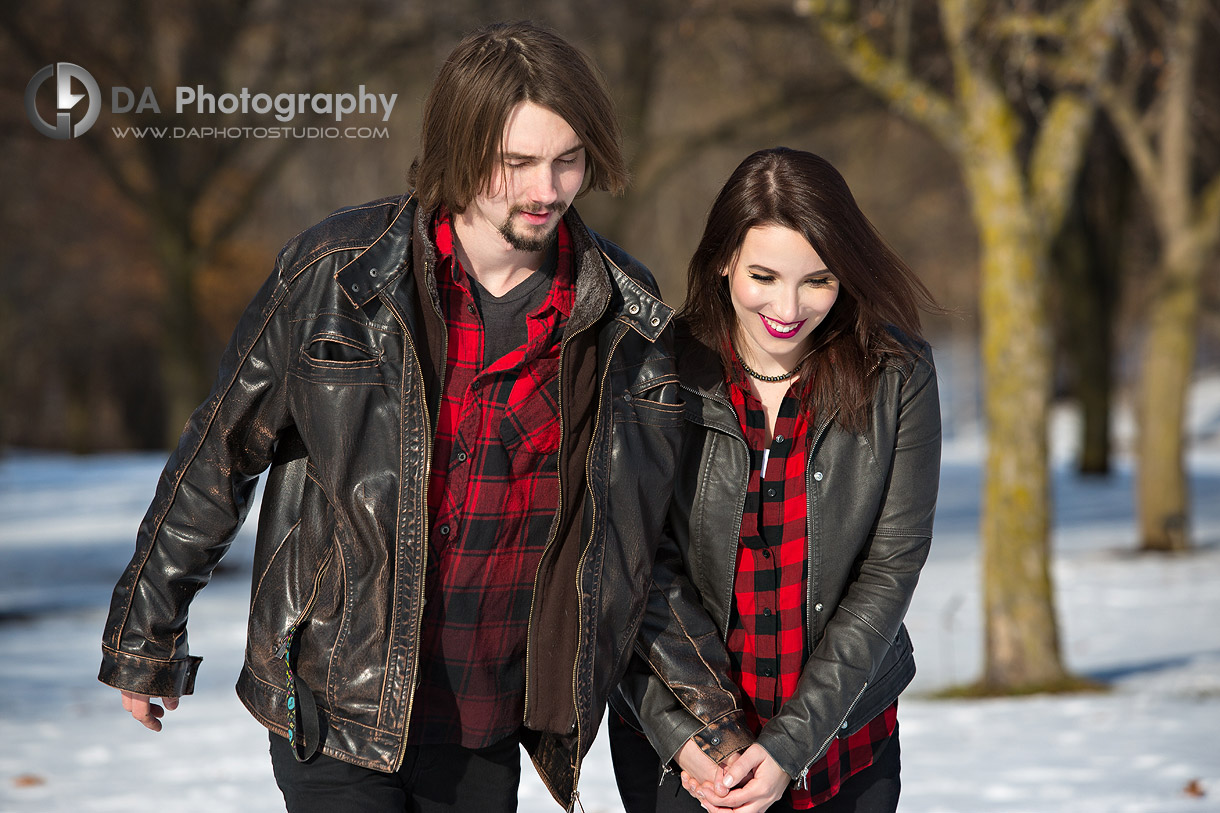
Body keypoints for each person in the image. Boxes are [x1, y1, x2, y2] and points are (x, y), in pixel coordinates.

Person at [99, 21, 683, 812]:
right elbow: (219, 451)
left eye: (567, 159)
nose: (547, 190)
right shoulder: (336, 272)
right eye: (517, 163)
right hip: (337, 693)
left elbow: (646, 532)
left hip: (492, 715)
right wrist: (145, 634)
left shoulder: (623, 312)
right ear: (459, 148)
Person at [609, 147, 942, 813]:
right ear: (725, 258)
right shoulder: (654, 371)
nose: (788, 307)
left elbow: (890, 569)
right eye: (764, 275)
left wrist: (791, 744)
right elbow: (631, 569)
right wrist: (691, 734)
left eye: (818, 280)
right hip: (688, 755)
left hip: (844, 744)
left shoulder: (898, 376)